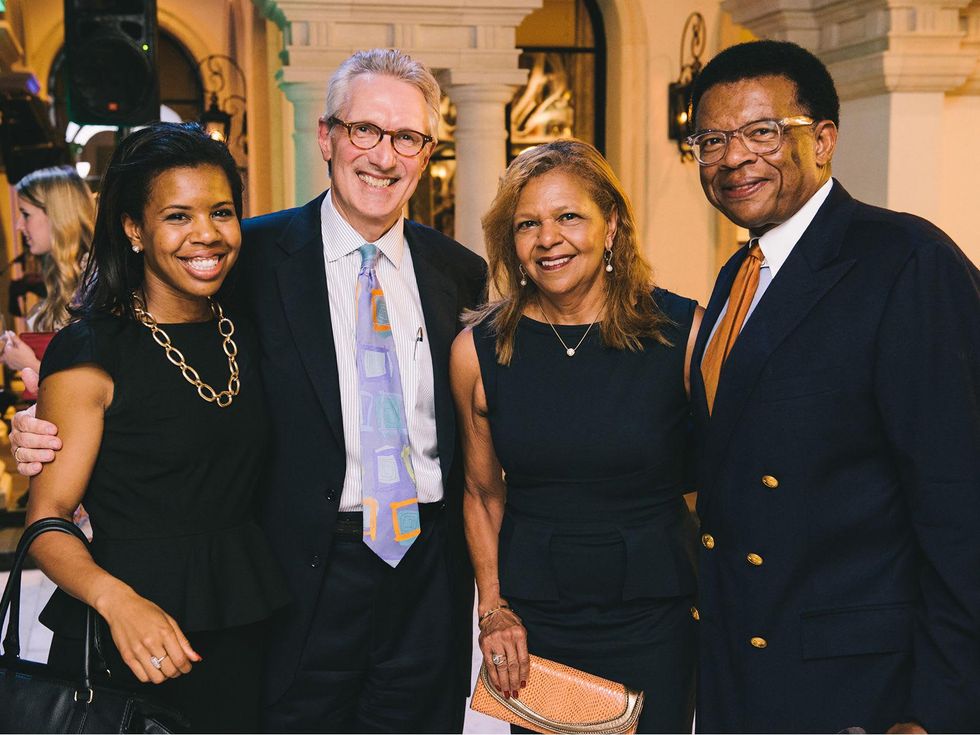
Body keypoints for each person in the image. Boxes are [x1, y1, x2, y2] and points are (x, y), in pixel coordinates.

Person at [13, 49, 487, 733]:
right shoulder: (247, 258)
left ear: (427, 152)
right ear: (325, 137)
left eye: (407, 137)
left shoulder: (458, 273)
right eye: (364, 131)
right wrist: (43, 421)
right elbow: (142, 352)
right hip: (296, 579)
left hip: (427, 580)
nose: (385, 155)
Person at [684, 40, 980, 733]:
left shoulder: (908, 263)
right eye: (711, 139)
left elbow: (960, 507)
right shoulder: (738, 275)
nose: (732, 158)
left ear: (823, 140)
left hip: (859, 686)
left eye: (761, 132)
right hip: (745, 667)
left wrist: (937, 711)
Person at [24, 122, 289, 732]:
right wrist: (117, 602)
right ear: (133, 229)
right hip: (128, 640)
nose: (206, 234)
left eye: (221, 211)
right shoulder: (92, 350)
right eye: (178, 215)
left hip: (241, 622)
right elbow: (46, 520)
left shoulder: (248, 331)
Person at [451, 139, 703, 733]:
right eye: (528, 224)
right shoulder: (479, 350)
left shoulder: (682, 332)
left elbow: (721, 481)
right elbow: (482, 494)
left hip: (657, 612)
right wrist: (494, 609)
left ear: (611, 224)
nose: (548, 239)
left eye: (569, 217)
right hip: (538, 621)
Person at [1, 165, 94, 374]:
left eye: (25, 214)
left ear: (56, 215)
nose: (19, 225)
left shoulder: (96, 278)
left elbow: (94, 385)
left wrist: (30, 365)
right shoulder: (65, 273)